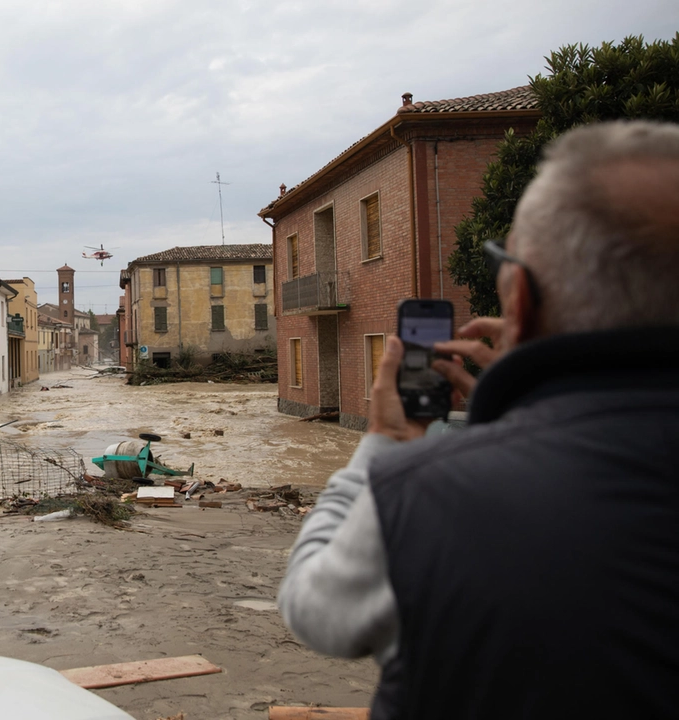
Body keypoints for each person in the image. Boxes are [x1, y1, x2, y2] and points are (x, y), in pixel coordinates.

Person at [277, 120, 679, 719]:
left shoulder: (427, 493)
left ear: (518, 298)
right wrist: (520, 406)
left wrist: (386, 441)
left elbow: (314, 609)